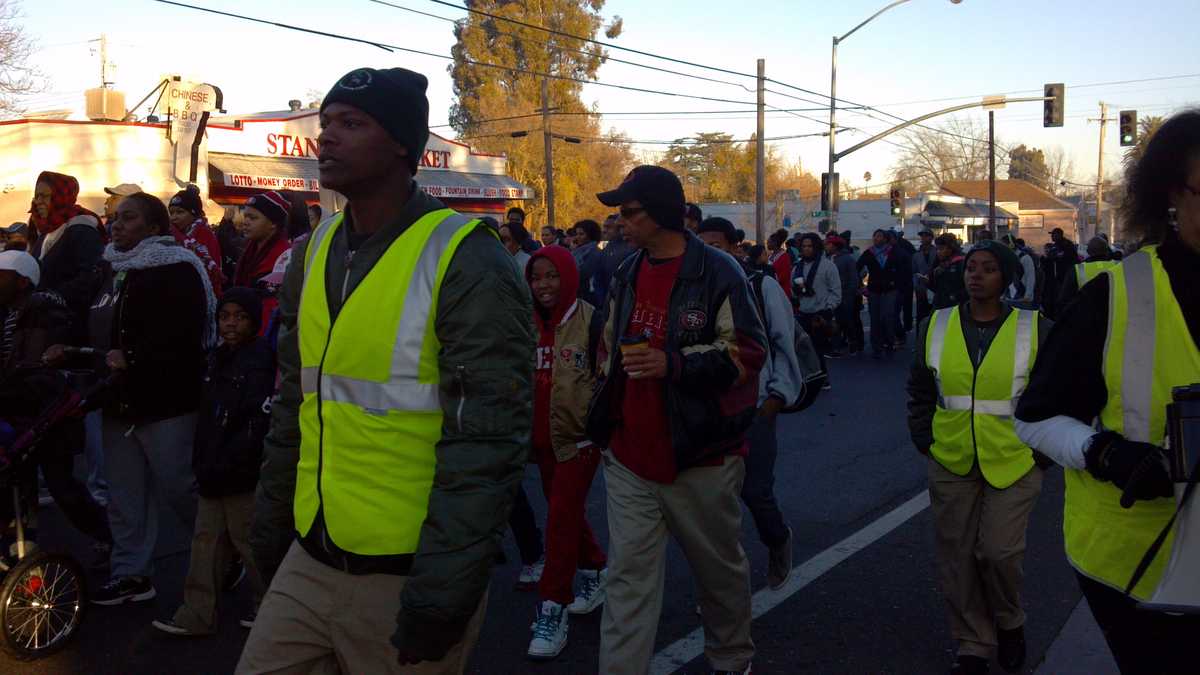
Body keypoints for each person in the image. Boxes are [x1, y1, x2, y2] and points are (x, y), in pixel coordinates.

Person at [239, 66, 532, 674]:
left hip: (406, 573)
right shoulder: (314, 249)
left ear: (401, 142)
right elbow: (294, 402)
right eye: (326, 124)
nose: (329, 138)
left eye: (352, 123)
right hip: (308, 556)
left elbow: (487, 441)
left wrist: (443, 591)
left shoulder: (464, 255)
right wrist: (269, 530)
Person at [1015, 109, 1200, 674]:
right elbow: (1035, 417)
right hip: (1137, 562)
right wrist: (1105, 453)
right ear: (1172, 194)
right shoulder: (1113, 295)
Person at [588, 166, 765, 675]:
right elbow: (607, 347)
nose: (621, 223)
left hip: (701, 456)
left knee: (718, 575)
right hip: (628, 457)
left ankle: (732, 659)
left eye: (631, 212)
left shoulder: (719, 272)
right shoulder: (625, 270)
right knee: (627, 582)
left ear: (663, 213)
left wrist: (676, 364)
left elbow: (748, 354)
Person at [43, 191, 214, 605]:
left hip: (166, 402)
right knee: (124, 496)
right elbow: (95, 321)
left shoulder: (178, 269)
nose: (117, 225)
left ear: (154, 228)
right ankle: (132, 575)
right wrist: (68, 348)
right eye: (116, 218)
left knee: (179, 491)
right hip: (117, 401)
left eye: (129, 218)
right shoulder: (109, 267)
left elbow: (186, 336)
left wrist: (134, 357)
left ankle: (221, 557)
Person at [908, 240, 1051, 675]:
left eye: (988, 268)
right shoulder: (936, 324)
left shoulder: (1036, 328)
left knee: (998, 553)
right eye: (972, 267)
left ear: (1005, 279)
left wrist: (1042, 452)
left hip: (1014, 458)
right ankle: (972, 643)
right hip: (951, 458)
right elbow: (919, 390)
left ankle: (1009, 621)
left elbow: (1058, 393)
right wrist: (925, 439)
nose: (976, 275)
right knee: (957, 557)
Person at [152, 287, 272, 636]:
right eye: (224, 316)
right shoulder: (216, 358)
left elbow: (255, 421)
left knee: (249, 543)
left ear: (254, 321)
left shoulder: (260, 360)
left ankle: (272, 609)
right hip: (212, 468)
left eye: (240, 317)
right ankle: (198, 613)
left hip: (239, 472)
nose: (230, 324)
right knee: (205, 541)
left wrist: (236, 462)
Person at [697, 217, 801, 589]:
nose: (709, 253)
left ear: (734, 248)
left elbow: (785, 344)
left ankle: (778, 539)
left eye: (717, 245)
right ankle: (724, 589)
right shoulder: (694, 292)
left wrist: (776, 398)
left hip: (755, 409)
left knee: (756, 493)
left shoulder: (762, 286)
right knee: (713, 504)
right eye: (701, 244)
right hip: (708, 412)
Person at [522, 246, 608, 661]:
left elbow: (608, 383)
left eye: (552, 276)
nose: (544, 285)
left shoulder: (592, 322)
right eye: (537, 277)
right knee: (566, 515)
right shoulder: (524, 323)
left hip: (580, 443)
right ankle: (595, 569)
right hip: (541, 445)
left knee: (559, 521)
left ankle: (552, 607)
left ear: (569, 276)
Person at [0, 251, 112, 550]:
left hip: (45, 415)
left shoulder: (43, 310)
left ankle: (110, 540)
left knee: (63, 487)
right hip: (27, 414)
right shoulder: (13, 312)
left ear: (22, 281)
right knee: (25, 484)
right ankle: (23, 545)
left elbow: (34, 369)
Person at [28, 171, 105, 341]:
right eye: (36, 196)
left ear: (61, 196)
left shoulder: (81, 228)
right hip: (40, 323)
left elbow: (91, 275)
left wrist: (53, 296)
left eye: (45, 196)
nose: (38, 201)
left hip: (69, 326)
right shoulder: (46, 231)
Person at [233, 191, 292, 331]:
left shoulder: (285, 256)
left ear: (273, 223)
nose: (245, 222)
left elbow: (272, 308)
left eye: (253, 218)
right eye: (245, 216)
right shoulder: (249, 251)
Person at [793, 232, 842, 370]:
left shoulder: (828, 266)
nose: (807, 249)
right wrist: (796, 293)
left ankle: (823, 379)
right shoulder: (797, 268)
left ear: (816, 247)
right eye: (804, 246)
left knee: (817, 350)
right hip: (802, 313)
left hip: (819, 315)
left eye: (810, 246)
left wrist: (828, 309)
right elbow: (794, 292)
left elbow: (836, 292)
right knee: (802, 350)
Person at [168, 185, 224, 297]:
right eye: (172, 213)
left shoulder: (204, 234)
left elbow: (211, 266)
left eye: (180, 212)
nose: (174, 217)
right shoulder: (171, 234)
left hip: (202, 292)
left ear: (193, 213)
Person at [857, 229, 903, 358]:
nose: (876, 239)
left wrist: (897, 284)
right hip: (874, 290)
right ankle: (876, 346)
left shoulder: (893, 252)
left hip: (890, 289)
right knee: (875, 318)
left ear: (885, 239)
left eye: (879, 236)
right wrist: (861, 286)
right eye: (875, 236)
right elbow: (857, 268)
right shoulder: (869, 253)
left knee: (887, 317)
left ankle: (889, 342)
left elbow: (902, 269)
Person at [827, 234, 863, 355]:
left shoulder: (847, 259)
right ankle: (835, 346)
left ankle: (853, 343)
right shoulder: (828, 259)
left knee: (847, 320)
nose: (827, 246)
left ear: (835, 246)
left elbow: (854, 278)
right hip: (831, 294)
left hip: (845, 295)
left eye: (829, 244)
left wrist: (850, 293)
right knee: (834, 321)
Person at [1040, 227, 1079, 319]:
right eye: (1052, 235)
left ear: (1059, 235)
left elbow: (1065, 259)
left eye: (1054, 234)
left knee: (1060, 298)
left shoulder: (1066, 245)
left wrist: (1054, 257)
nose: (1052, 237)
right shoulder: (1055, 246)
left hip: (1062, 277)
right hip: (1054, 279)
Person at [570, 219, 605, 307]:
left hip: (587, 295)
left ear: (590, 235)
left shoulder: (594, 252)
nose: (578, 237)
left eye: (581, 234)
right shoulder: (577, 251)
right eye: (576, 234)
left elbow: (584, 273)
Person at [889, 231, 915, 342]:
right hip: (903, 284)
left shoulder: (898, 251)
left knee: (895, 312)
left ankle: (901, 334)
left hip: (899, 285)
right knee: (903, 308)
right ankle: (905, 329)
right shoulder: (904, 247)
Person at [930, 234, 968, 310]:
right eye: (937, 249)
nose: (938, 252)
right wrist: (930, 279)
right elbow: (937, 288)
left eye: (941, 249)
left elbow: (968, 288)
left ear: (950, 249)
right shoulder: (939, 263)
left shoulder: (962, 262)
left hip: (955, 307)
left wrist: (954, 297)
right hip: (939, 305)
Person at [1000, 234, 1037, 310]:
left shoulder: (1025, 258)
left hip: (1022, 300)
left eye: (1004, 245)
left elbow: (1030, 278)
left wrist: (1028, 297)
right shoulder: (1006, 259)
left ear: (1011, 245)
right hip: (1008, 299)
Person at [913, 229, 938, 323]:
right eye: (922, 236)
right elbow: (914, 271)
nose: (923, 238)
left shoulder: (937, 252)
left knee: (934, 314)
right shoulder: (916, 254)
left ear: (931, 238)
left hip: (934, 287)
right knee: (921, 314)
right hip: (921, 288)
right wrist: (916, 285)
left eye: (926, 236)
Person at [767, 228, 794, 304]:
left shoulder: (784, 257)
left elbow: (784, 276)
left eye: (769, 242)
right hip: (772, 289)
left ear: (775, 243)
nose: (767, 244)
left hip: (782, 291)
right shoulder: (771, 255)